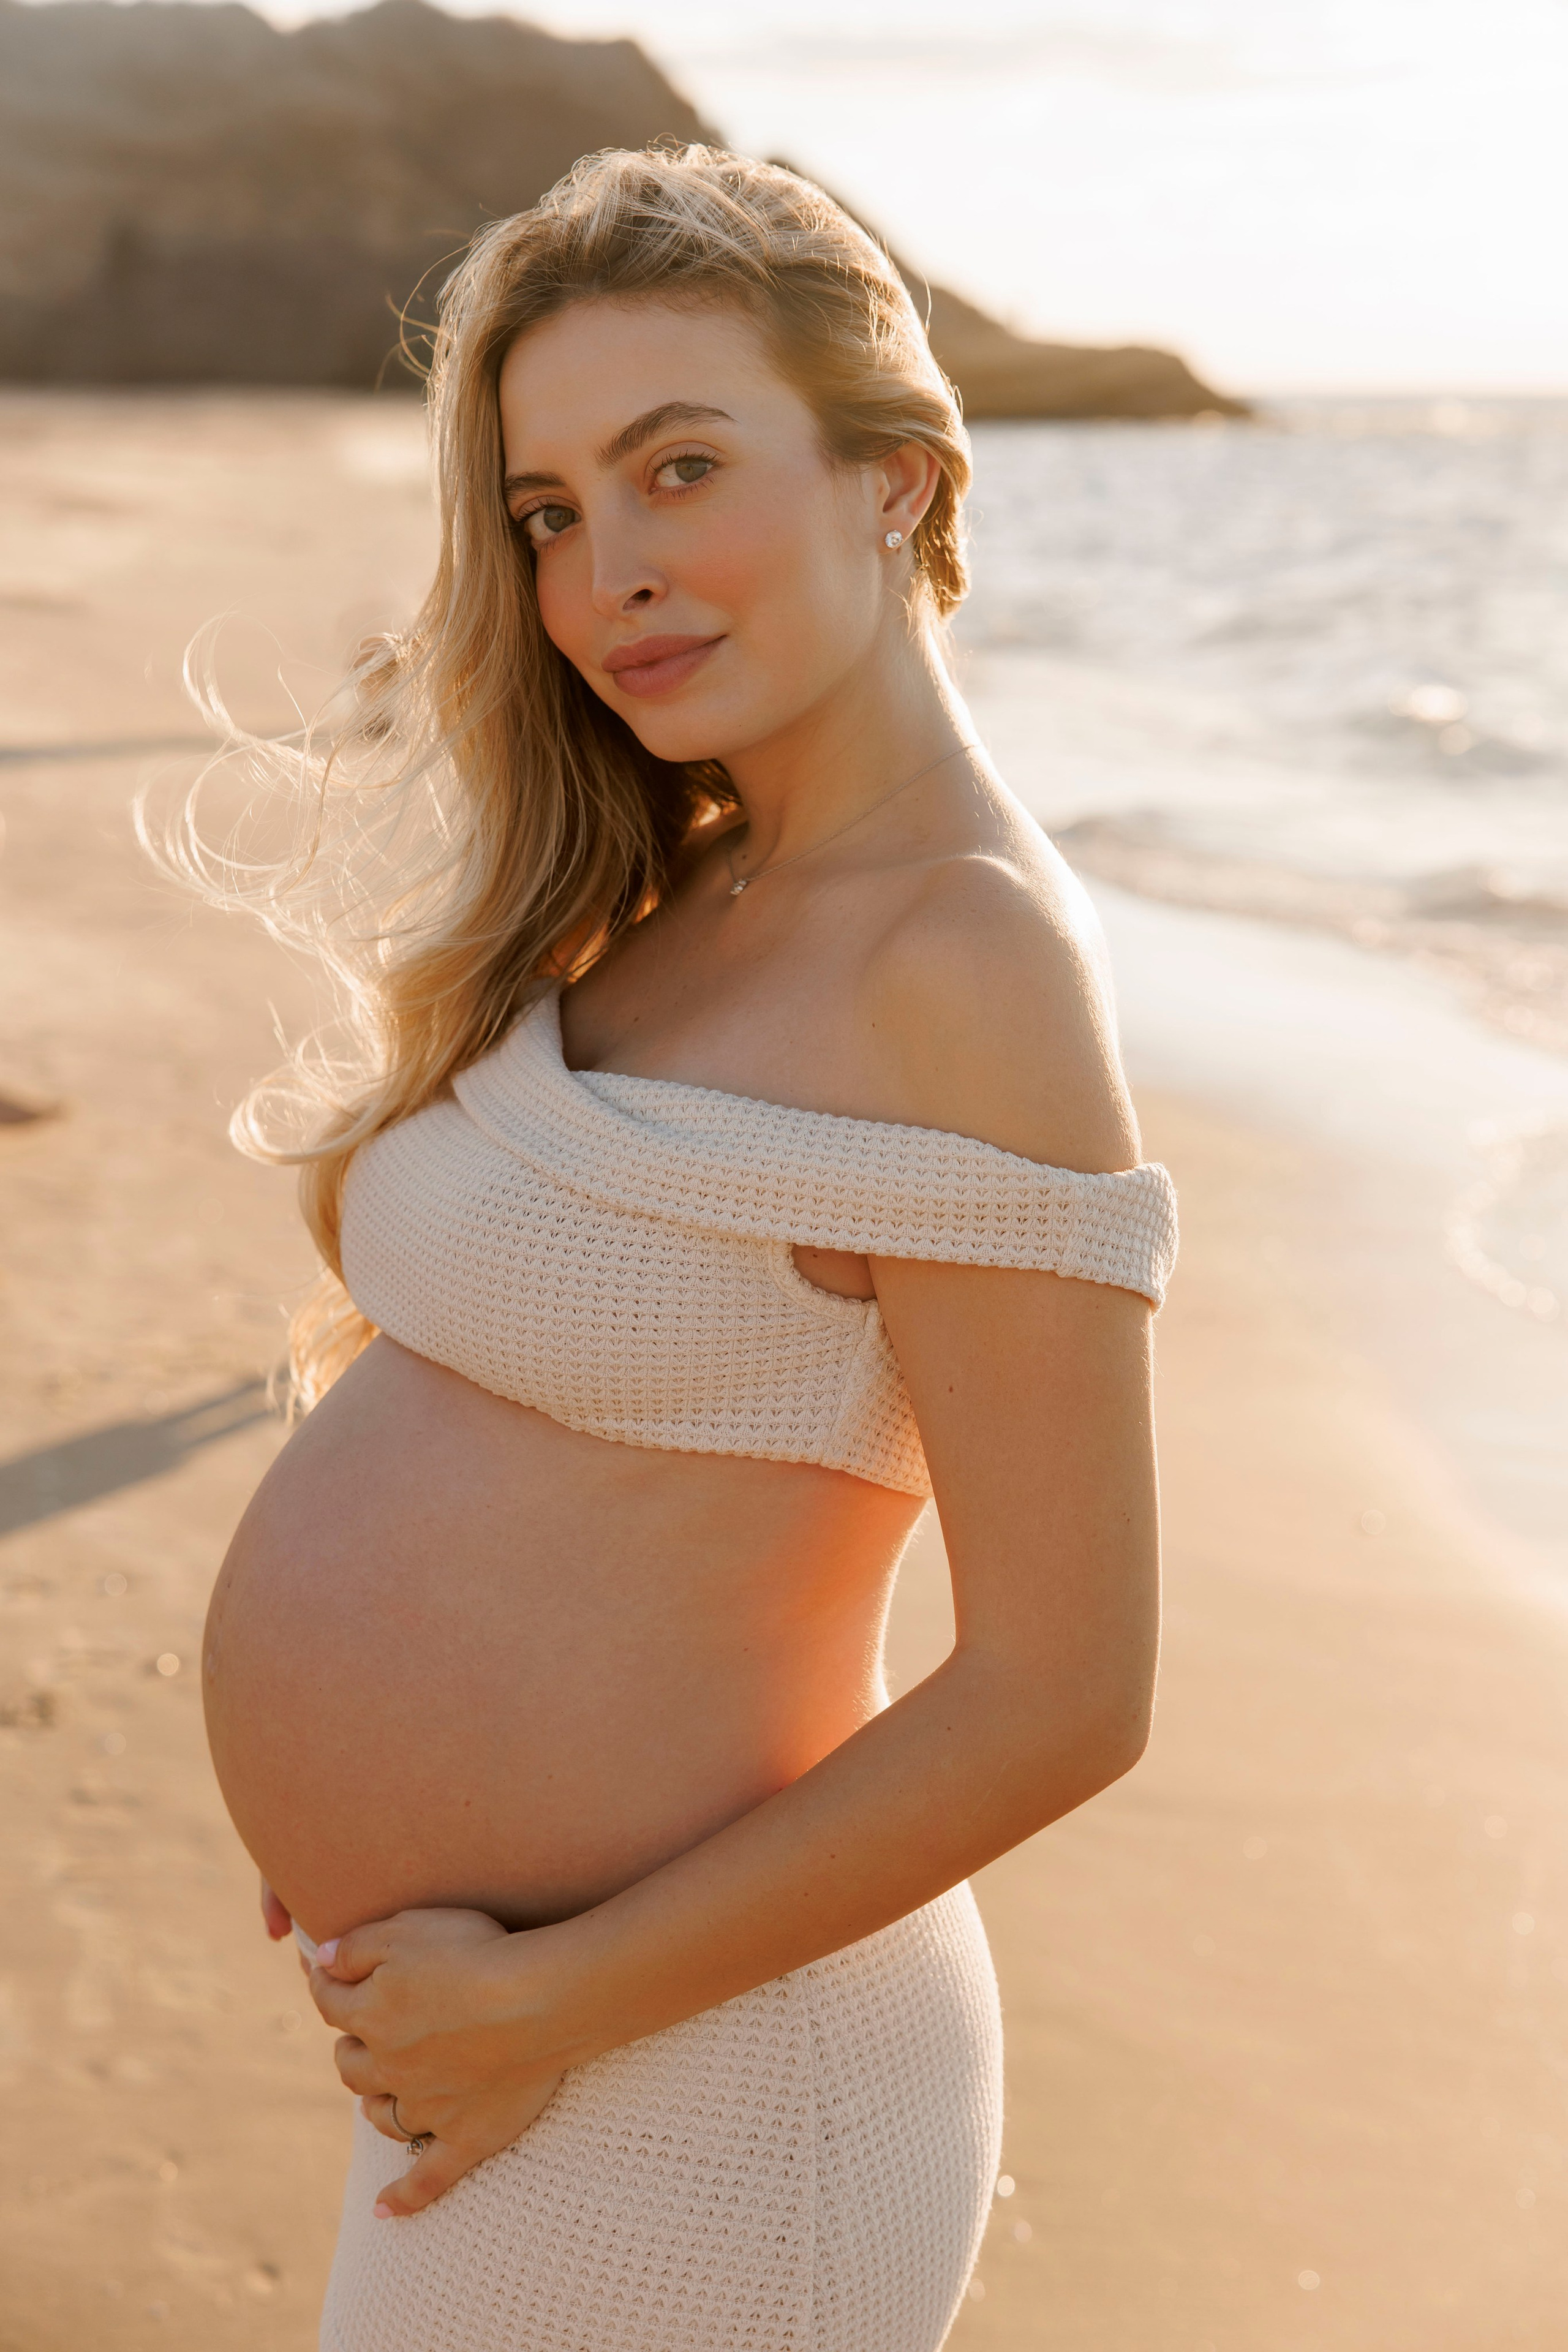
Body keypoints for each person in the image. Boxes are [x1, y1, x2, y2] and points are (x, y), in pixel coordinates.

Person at [189, 145, 1175, 2352]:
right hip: (482, 2037)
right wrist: (377, 1781)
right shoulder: (679, 876)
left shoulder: (971, 959)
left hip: (705, 2077)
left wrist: (548, 1989)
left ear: (898, 485)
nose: (608, 571)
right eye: (550, 512)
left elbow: (1066, 1690)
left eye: (682, 468)